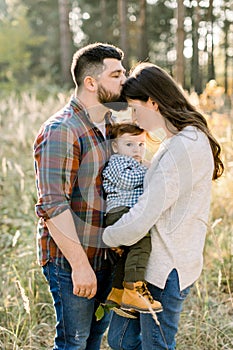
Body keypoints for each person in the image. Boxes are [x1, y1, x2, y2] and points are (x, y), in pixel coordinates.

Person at [103, 62, 224, 350]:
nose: (133, 118)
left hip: (166, 267)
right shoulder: (180, 140)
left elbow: (145, 213)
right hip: (153, 263)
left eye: (135, 108)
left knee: (155, 346)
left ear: (153, 103)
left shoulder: (184, 145)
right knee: (120, 339)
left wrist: (104, 238)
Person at [33, 42, 126, 350]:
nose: (125, 81)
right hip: (70, 261)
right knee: (73, 343)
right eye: (116, 75)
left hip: (104, 257)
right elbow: (53, 205)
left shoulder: (110, 125)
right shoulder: (62, 130)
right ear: (91, 82)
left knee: (93, 341)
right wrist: (80, 267)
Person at [102, 123, 163, 317]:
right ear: (115, 146)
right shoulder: (117, 161)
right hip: (119, 212)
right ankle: (134, 288)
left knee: (128, 253)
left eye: (141, 144)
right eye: (129, 144)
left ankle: (117, 293)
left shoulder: (135, 162)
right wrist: (151, 170)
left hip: (128, 212)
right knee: (142, 242)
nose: (137, 150)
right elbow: (126, 181)